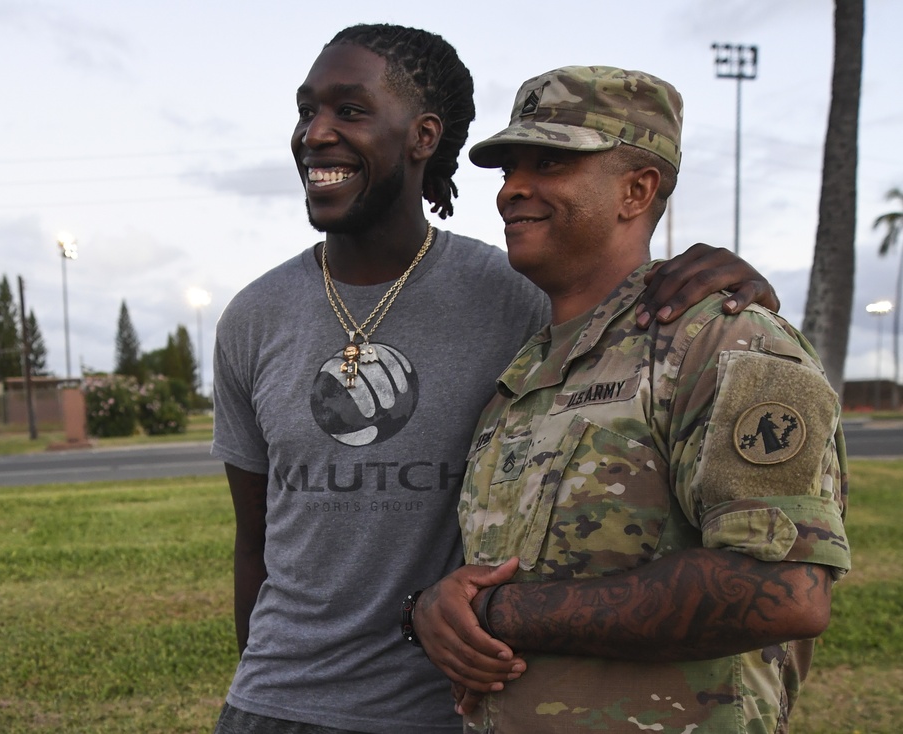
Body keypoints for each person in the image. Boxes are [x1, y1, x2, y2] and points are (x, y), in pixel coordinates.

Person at [210, 25, 781, 734]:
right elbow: (255, 538)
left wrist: (731, 280)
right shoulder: (252, 317)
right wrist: (257, 687)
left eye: (349, 111)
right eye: (306, 111)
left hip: (447, 702)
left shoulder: (518, 295)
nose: (315, 133)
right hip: (274, 703)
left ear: (423, 136)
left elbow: (623, 309)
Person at [413, 65, 851, 734]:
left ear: (637, 189)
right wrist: (440, 608)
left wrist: (497, 612)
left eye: (551, 163)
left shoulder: (727, 340)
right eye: (508, 169)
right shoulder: (523, 376)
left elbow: (782, 591)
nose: (512, 190)